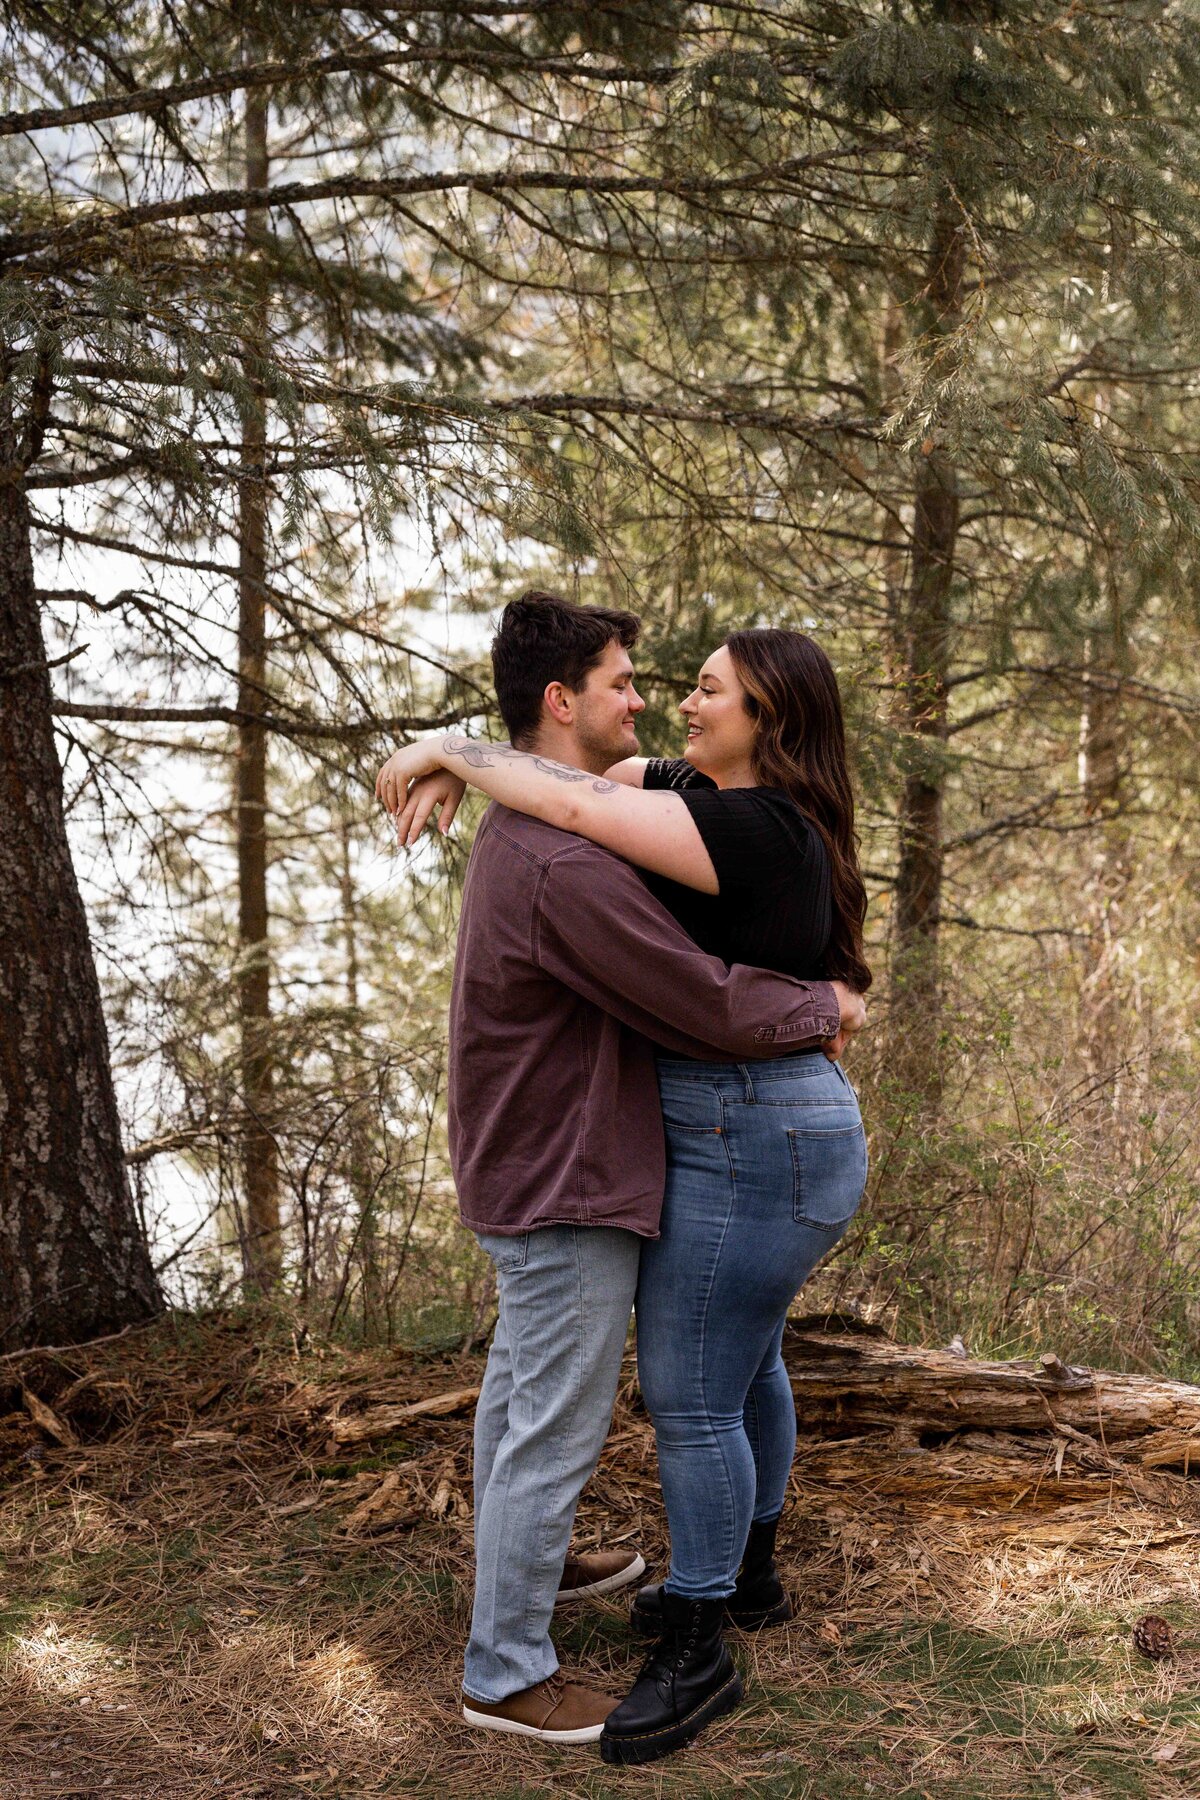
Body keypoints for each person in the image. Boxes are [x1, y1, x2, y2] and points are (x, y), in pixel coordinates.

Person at [376, 593, 865, 1753]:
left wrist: (456, 751)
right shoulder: (564, 858)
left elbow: (582, 786)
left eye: (694, 688)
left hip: (579, 1157)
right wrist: (828, 1004)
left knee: (566, 1398)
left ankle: (552, 1587)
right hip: (567, 1169)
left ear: (765, 720)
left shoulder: (611, 828)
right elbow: (696, 1000)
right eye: (626, 681)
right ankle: (507, 1672)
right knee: (552, 1418)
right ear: (563, 702)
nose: (652, 702)